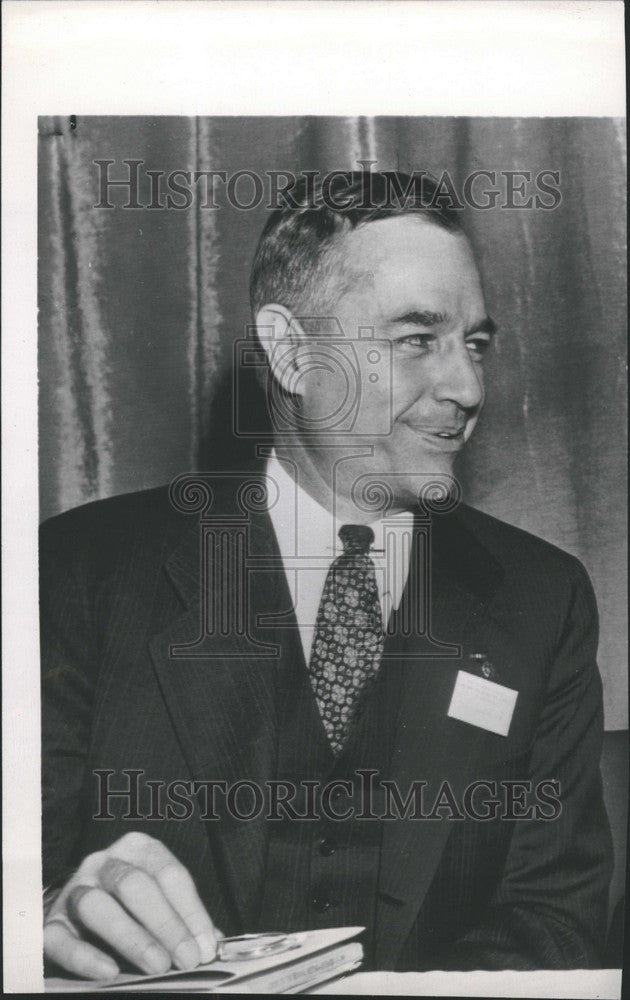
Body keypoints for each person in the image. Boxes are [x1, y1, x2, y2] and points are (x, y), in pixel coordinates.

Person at [40, 171, 612, 979]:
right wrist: (42, 912)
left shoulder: (540, 598)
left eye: (474, 344)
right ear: (290, 350)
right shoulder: (79, 573)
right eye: (418, 338)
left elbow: (556, 918)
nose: (468, 389)